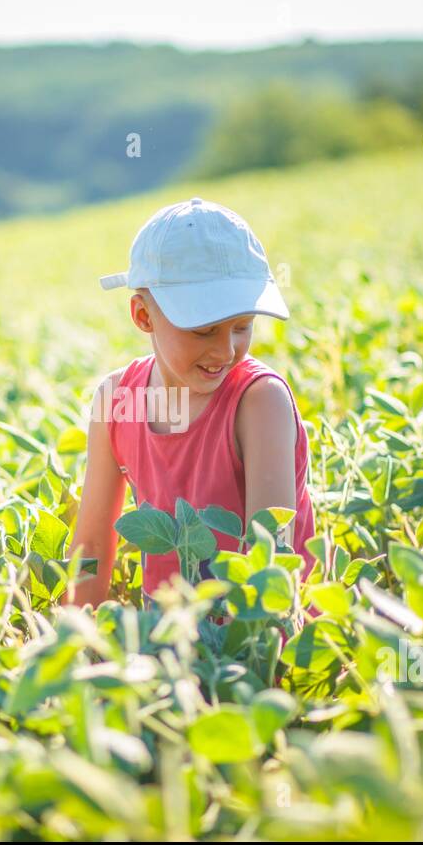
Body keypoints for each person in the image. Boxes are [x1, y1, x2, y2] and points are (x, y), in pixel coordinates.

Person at [70, 197, 315, 609]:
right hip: (169, 643)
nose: (225, 350)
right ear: (144, 316)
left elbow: (267, 559)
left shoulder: (258, 402)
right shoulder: (116, 401)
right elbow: (92, 544)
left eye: (242, 326)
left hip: (261, 647)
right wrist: (69, 649)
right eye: (204, 331)